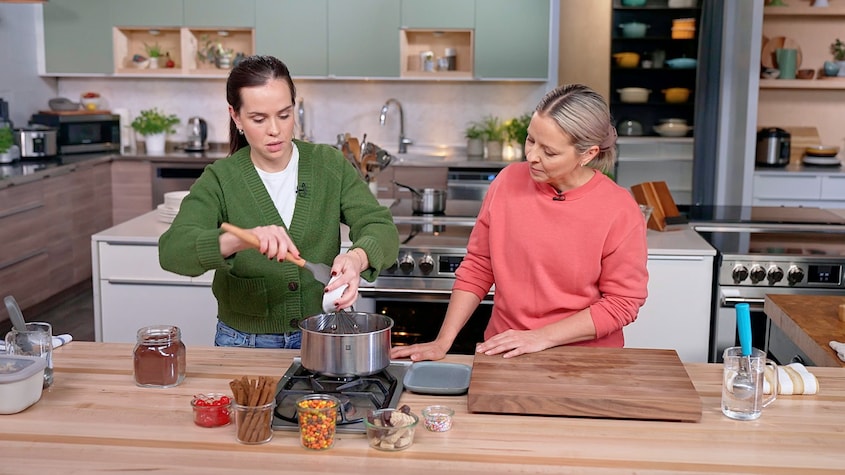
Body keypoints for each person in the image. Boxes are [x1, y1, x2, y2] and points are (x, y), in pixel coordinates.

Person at [391, 84, 648, 361]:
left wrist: (540, 336)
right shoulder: (507, 182)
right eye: (530, 140)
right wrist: (443, 341)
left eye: (549, 152)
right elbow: (479, 266)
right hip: (506, 351)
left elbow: (623, 303)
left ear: (588, 154)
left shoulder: (619, 209)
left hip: (584, 361)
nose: (532, 156)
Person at [159, 55, 399, 349]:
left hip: (322, 335)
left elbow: (380, 226)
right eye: (259, 119)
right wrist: (239, 240)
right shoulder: (220, 179)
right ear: (236, 117)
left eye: (284, 115)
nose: (275, 130)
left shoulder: (328, 165)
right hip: (244, 343)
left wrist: (356, 259)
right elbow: (173, 251)